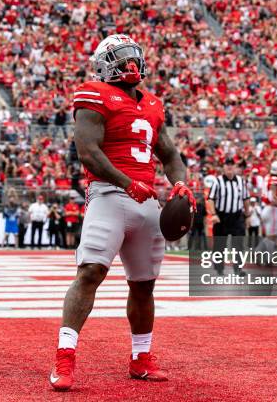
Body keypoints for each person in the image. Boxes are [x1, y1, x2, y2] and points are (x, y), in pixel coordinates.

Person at [49, 34, 194, 391]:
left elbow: (171, 155)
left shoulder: (153, 104)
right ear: (103, 63)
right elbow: (88, 151)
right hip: (109, 194)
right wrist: (127, 182)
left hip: (147, 201)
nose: (129, 62)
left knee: (144, 284)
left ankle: (140, 358)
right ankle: (64, 359)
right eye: (120, 56)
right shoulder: (93, 93)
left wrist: (180, 183)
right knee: (91, 272)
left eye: (132, 55)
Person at [207, 158, 250, 275]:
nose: (229, 166)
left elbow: (246, 199)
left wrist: (248, 215)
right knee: (220, 244)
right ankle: (219, 268)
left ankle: (238, 268)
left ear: (235, 167)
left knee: (239, 243)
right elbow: (211, 199)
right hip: (222, 216)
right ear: (223, 167)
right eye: (227, 164)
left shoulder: (241, 181)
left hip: (237, 216)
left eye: (232, 164)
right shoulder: (217, 181)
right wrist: (214, 214)